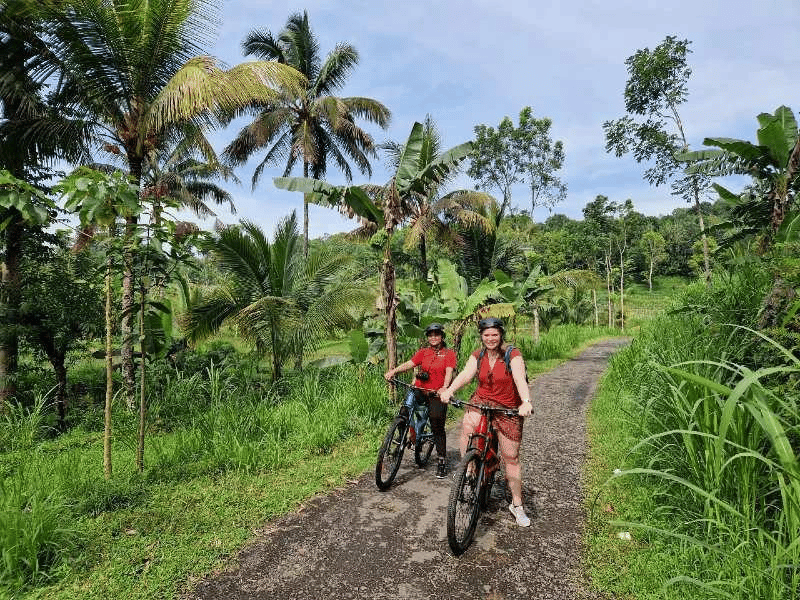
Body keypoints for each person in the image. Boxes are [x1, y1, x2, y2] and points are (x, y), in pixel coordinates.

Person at [439, 317, 533, 527]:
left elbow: (519, 379)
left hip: (508, 407)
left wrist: (526, 402)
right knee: (467, 426)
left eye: (495, 335)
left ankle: (517, 505)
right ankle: (468, 470)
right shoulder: (478, 355)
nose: (491, 338)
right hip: (482, 401)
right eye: (487, 335)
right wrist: (450, 390)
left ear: (501, 335)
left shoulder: (512, 354)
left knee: (511, 458)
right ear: (481, 336)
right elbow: (466, 374)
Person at [384, 322, 456, 478]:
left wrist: (445, 387)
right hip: (419, 389)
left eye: (436, 334)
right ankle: (402, 437)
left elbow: (449, 371)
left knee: (437, 425)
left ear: (442, 336)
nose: (433, 337)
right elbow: (410, 364)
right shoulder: (423, 352)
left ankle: (441, 460)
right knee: (404, 410)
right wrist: (394, 371)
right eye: (430, 335)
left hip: (436, 393)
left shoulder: (449, 354)